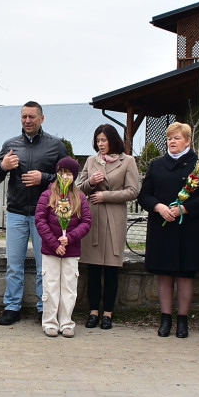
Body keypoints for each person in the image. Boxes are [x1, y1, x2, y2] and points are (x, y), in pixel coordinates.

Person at [0, 102, 68, 326]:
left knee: (46, 266)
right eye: (24, 116)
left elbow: (68, 178)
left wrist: (43, 178)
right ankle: (12, 307)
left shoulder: (56, 145)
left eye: (32, 116)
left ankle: (45, 308)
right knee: (14, 264)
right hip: (16, 213)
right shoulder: (10, 145)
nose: (27, 120)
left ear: (42, 118)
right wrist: (3, 166)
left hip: (45, 214)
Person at [137, 122, 199, 339]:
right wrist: (159, 207)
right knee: (164, 273)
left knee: (184, 274)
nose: (172, 142)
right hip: (162, 227)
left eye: (177, 138)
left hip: (188, 228)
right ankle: (165, 318)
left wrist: (184, 209)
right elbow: (144, 195)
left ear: (188, 141)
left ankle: (182, 319)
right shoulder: (157, 165)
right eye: (170, 138)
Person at [76, 124, 140, 330]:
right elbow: (78, 189)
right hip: (94, 219)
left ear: (113, 140)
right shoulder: (91, 161)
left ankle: (108, 314)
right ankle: (93, 312)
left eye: (103, 140)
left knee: (112, 268)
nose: (100, 144)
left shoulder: (127, 161)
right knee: (93, 267)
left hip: (114, 218)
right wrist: (92, 183)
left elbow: (133, 191)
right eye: (98, 140)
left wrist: (107, 195)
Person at [36, 157, 92, 337]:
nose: (65, 177)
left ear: (74, 176)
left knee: (68, 287)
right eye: (62, 173)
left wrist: (71, 238)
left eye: (69, 174)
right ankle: (50, 321)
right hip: (51, 251)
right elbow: (40, 221)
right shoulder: (47, 195)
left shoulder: (80, 197)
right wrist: (54, 243)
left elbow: (86, 222)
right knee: (51, 285)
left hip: (71, 250)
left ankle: (66, 322)